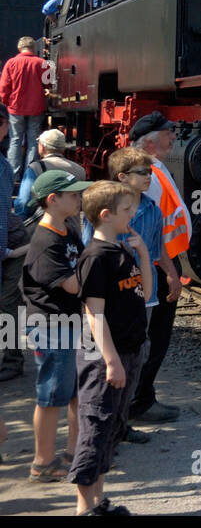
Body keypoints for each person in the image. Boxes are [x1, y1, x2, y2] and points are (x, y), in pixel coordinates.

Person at [67, 180, 151, 516]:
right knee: (96, 428)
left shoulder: (121, 250)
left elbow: (145, 294)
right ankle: (84, 508)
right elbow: (94, 314)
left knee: (113, 429)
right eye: (127, 210)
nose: (133, 214)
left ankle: (98, 502)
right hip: (104, 357)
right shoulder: (97, 257)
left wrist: (144, 254)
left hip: (128, 350)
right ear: (106, 215)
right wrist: (112, 360)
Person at [21, 169, 92, 482]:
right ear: (53, 199)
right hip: (52, 325)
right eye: (74, 195)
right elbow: (74, 285)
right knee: (52, 395)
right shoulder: (46, 240)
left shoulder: (67, 229)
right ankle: (43, 462)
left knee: (76, 391)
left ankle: (75, 453)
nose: (79, 199)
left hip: (70, 321)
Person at [128, 113, 187, 424]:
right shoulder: (145, 175)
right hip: (154, 265)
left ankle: (140, 397)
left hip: (158, 261)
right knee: (155, 335)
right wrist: (170, 272)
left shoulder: (154, 168)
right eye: (168, 132)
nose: (173, 137)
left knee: (155, 335)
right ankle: (139, 402)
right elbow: (150, 231)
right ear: (150, 141)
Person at [0, 37, 49, 172]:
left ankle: (12, 174)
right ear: (33, 48)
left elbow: (4, 86)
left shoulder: (11, 63)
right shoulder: (42, 63)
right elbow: (49, 84)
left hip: (16, 107)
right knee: (33, 141)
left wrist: (6, 102)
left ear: (19, 48)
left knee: (15, 140)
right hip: (36, 107)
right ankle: (30, 173)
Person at [15, 129, 86, 216]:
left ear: (42, 147)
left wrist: (21, 221)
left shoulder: (35, 168)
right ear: (63, 148)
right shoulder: (80, 170)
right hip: (72, 223)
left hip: (44, 222)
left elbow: (24, 201)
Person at [0, 109, 22, 381]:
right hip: (7, 243)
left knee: (7, 302)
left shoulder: (2, 166)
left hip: (8, 243)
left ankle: (12, 359)